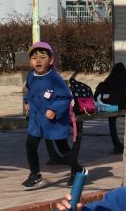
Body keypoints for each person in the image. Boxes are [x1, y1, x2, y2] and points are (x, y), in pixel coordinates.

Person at [22, 41, 82, 190]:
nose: (38, 60)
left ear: (51, 60)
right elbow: (29, 92)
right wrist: (26, 101)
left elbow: (65, 97)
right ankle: (35, 175)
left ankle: (77, 170)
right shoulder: (30, 76)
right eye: (34, 58)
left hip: (53, 120)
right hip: (36, 119)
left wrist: (54, 109)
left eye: (42, 57)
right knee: (30, 145)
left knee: (62, 149)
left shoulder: (54, 78)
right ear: (30, 61)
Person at [95, 62, 126, 153]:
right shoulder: (125, 84)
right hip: (122, 109)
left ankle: (116, 144)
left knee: (112, 119)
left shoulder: (106, 83)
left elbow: (95, 97)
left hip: (109, 109)